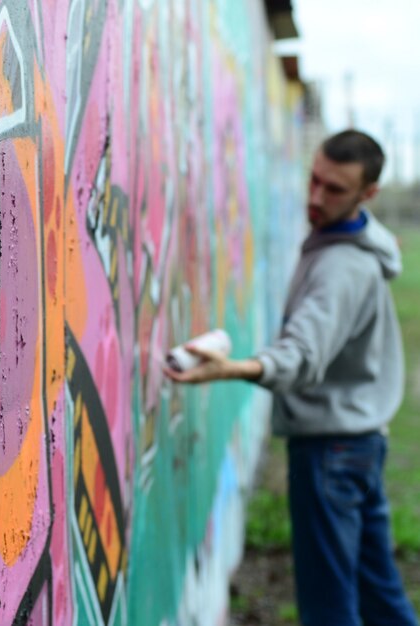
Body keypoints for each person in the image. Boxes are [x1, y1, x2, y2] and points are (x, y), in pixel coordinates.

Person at [165, 130, 418, 626]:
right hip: (360, 445)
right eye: (315, 179)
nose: (316, 197)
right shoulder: (352, 239)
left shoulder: (342, 267)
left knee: (328, 607)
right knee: (379, 592)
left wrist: (234, 368)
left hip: (331, 453)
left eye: (335, 189)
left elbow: (302, 354)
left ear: (368, 195)